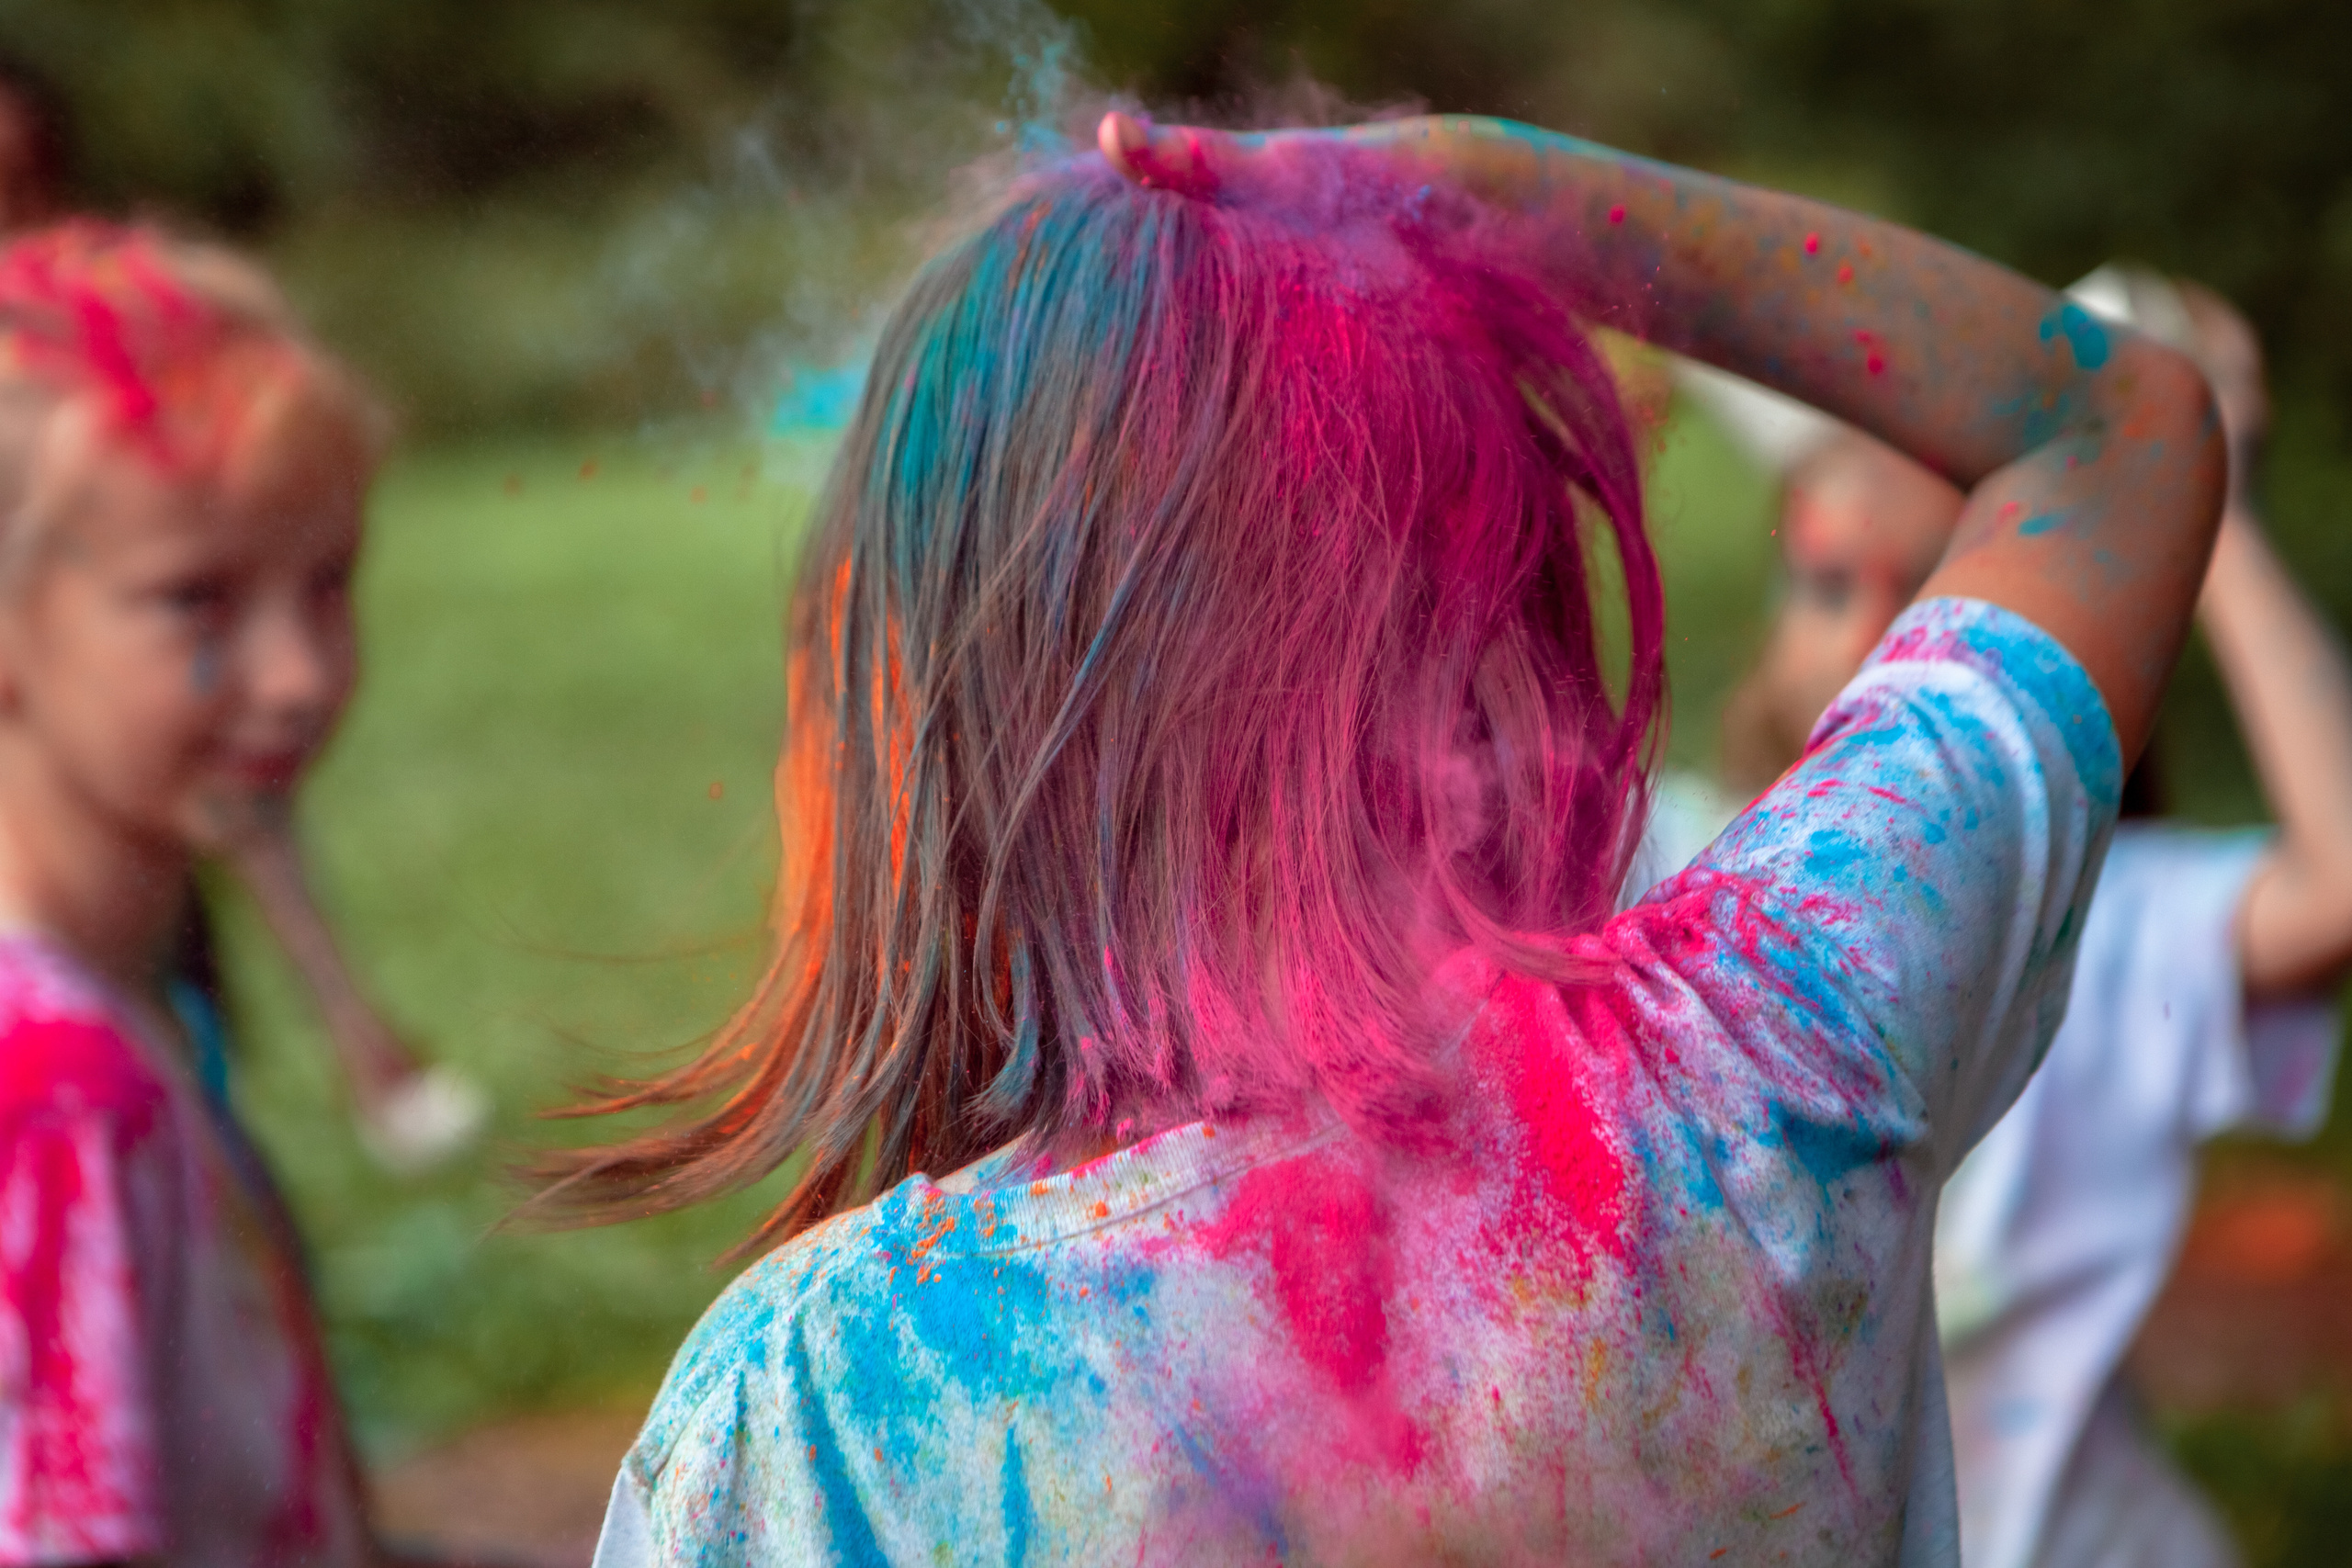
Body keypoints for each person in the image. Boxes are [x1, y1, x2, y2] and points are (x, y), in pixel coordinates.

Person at [559, 109, 2224, 1564]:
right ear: (1499, 630)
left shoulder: (826, 1407)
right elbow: (2114, 431)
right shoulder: (1773, 1060)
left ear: (957, 706)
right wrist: (1491, 190)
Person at [1699, 270, 2349, 1568]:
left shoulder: (2096, 928)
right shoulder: (1676, 879)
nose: (1875, 644)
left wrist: (2194, 493)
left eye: (1933, 602)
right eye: (1828, 583)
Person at [0, 220, 450, 1564]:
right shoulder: (53, 1085)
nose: (300, 675)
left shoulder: (133, 1013)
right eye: (197, 599)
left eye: (328, 583)